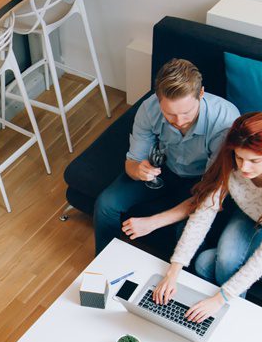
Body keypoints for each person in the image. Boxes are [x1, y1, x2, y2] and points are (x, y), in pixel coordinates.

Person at [150, 112, 262, 322]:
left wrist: (219, 299)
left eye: (254, 160)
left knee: (207, 263)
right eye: (240, 157)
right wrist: (173, 272)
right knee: (205, 262)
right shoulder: (232, 163)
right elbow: (203, 214)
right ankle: (207, 311)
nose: (244, 168)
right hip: (254, 215)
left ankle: (228, 318)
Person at [93, 57, 239, 253]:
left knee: (187, 233)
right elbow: (132, 163)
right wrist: (138, 170)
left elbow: (209, 195)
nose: (179, 121)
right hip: (163, 171)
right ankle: (104, 264)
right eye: (169, 114)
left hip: (201, 182)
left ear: (201, 93)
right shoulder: (148, 108)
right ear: (158, 99)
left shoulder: (225, 123)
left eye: (187, 112)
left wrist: (152, 222)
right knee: (106, 204)